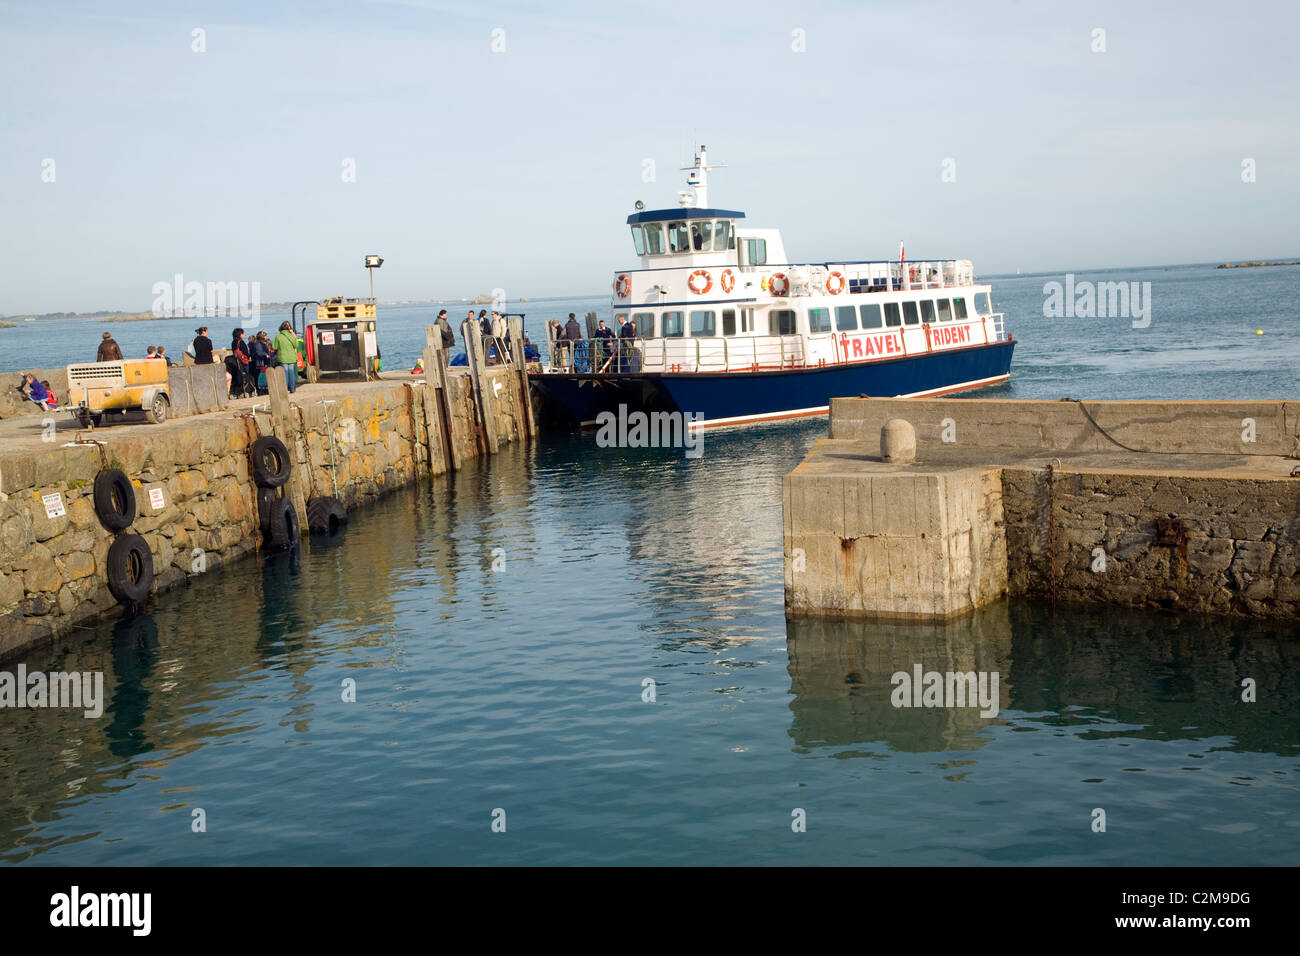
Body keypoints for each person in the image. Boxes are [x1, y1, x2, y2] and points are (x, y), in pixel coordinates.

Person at [271, 321, 300, 393]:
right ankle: (292, 389)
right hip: (292, 357)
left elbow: (274, 347)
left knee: (285, 374)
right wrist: (293, 335)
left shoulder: (278, 337)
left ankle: (285, 389)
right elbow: (296, 345)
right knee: (291, 373)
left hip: (283, 357)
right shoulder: (292, 336)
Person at [229, 328, 252, 397]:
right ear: (240, 334)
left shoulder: (233, 342)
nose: (243, 335)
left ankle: (238, 391)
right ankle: (246, 390)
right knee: (246, 375)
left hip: (236, 361)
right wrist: (249, 357)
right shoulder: (241, 342)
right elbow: (245, 351)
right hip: (243, 361)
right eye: (242, 333)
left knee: (238, 375)